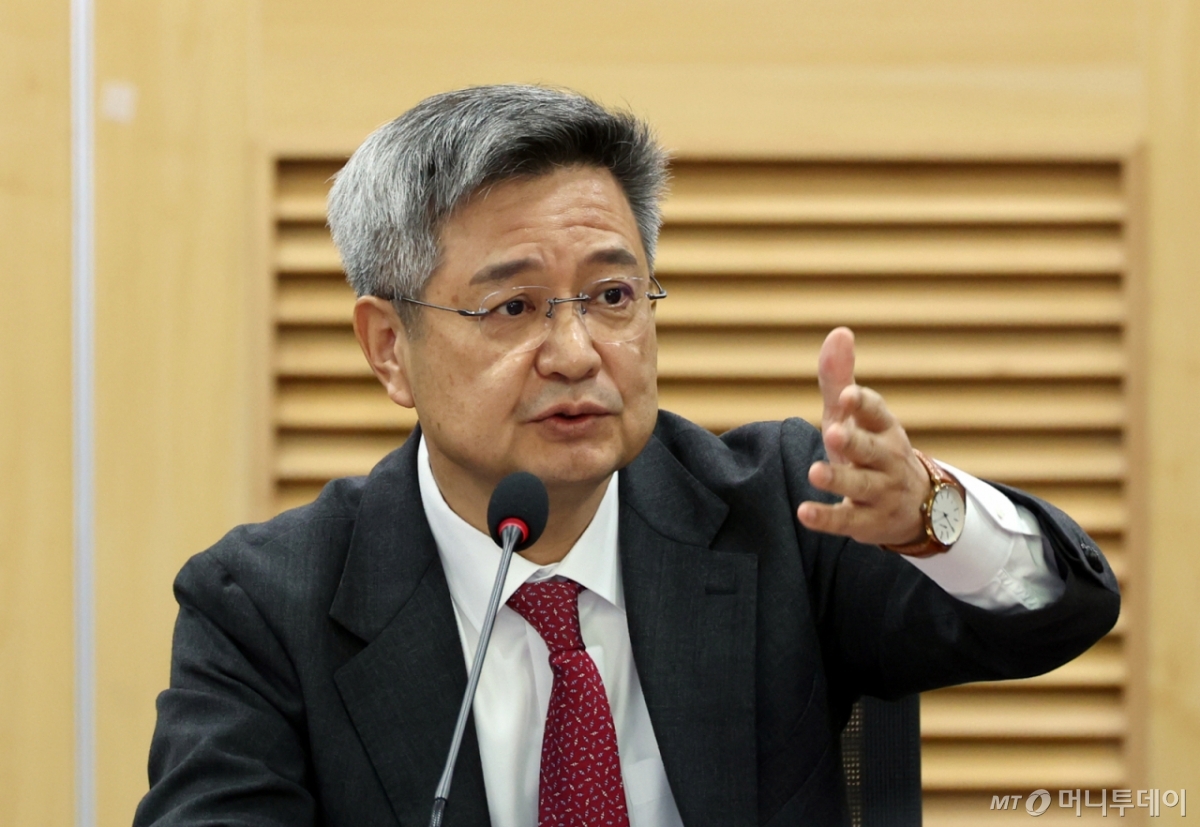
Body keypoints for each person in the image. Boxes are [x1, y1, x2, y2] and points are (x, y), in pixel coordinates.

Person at [134, 85, 1119, 827]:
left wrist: (930, 516)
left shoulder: (784, 509)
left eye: (612, 296)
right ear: (390, 347)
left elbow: (1065, 607)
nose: (575, 352)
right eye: (512, 306)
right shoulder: (265, 607)